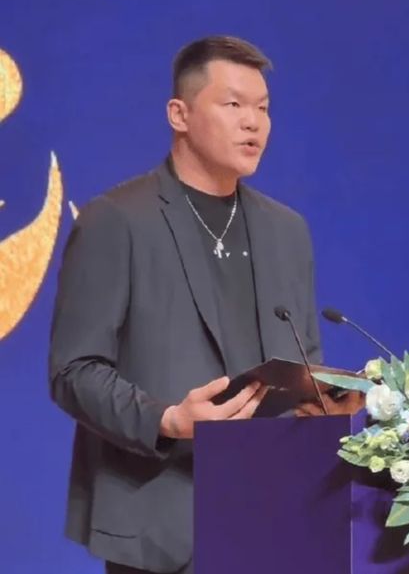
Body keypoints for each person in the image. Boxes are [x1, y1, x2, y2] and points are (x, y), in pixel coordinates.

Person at [48, 36, 324, 574]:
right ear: (179, 114)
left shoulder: (287, 231)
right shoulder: (116, 220)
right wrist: (168, 419)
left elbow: (304, 360)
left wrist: (324, 403)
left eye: (263, 108)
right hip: (163, 524)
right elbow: (73, 370)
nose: (254, 123)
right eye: (234, 104)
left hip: (272, 515)